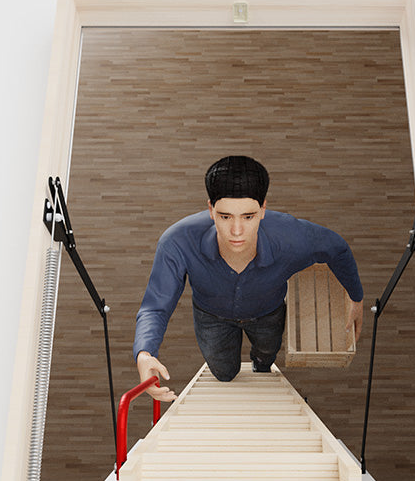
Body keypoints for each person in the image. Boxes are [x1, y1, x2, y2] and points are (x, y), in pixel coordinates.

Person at [134, 156, 364, 402]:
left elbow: (337, 248)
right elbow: (156, 306)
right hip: (212, 317)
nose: (236, 231)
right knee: (224, 373)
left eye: (248, 216)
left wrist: (356, 298)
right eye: (225, 217)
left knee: (266, 356)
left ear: (263, 209)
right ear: (210, 209)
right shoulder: (177, 241)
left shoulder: (291, 236)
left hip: (267, 313)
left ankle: (261, 364)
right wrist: (145, 353)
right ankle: (232, 367)